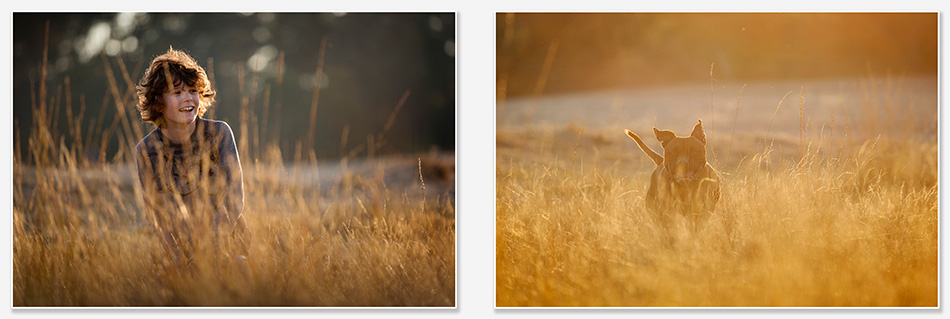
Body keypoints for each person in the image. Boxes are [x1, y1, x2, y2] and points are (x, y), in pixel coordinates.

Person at [133, 47, 249, 268]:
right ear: (158, 102)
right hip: (179, 253)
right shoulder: (146, 150)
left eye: (193, 91)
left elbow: (234, 197)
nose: (188, 98)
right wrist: (180, 256)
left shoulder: (220, 133)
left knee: (239, 270)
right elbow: (154, 213)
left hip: (229, 245)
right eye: (177, 93)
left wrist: (208, 248)